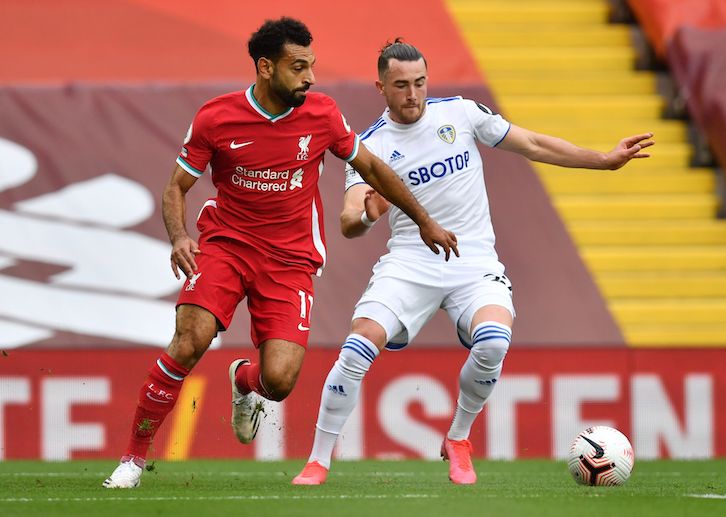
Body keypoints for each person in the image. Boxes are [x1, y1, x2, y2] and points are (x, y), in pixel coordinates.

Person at [103, 20, 458, 489]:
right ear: (266, 67)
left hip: (290, 260)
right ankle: (132, 459)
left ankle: (243, 382)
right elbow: (176, 186)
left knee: (281, 380)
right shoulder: (216, 117)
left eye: (311, 65)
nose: (310, 77)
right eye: (298, 67)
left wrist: (424, 220)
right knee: (190, 340)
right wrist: (179, 236)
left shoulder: (323, 115)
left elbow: (372, 166)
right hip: (226, 245)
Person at [292, 39, 654, 486]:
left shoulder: (460, 114)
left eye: (420, 82)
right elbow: (349, 219)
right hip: (409, 262)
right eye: (401, 85)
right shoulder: (369, 145)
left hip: (473, 259)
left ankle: (458, 438)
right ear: (381, 87)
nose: (413, 94)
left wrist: (604, 160)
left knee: (494, 342)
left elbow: (534, 143)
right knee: (359, 343)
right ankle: (319, 459)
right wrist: (365, 216)